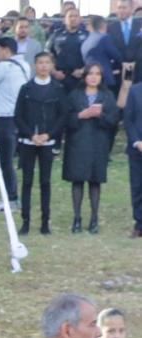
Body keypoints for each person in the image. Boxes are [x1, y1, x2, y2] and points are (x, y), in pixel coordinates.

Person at [16, 52, 69, 234]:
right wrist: (31, 135)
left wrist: (48, 135)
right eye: (40, 62)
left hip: (48, 141)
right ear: (35, 65)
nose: (44, 66)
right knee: (27, 181)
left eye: (47, 63)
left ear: (52, 65)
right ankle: (25, 221)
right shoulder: (26, 89)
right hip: (28, 141)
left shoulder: (58, 89)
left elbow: (63, 116)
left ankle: (45, 222)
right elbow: (18, 116)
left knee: (45, 182)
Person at [63, 63, 119, 234]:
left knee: (95, 181)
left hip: (98, 143)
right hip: (78, 142)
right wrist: (81, 115)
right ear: (85, 76)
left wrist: (100, 115)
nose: (94, 77)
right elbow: (65, 119)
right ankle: (77, 218)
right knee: (77, 180)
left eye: (97, 74)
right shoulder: (74, 95)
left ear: (101, 77)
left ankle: (94, 218)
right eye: (90, 74)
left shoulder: (107, 96)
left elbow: (113, 121)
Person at [0, 38, 30, 213]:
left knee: (4, 161)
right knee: (7, 160)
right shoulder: (24, 66)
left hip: (3, 117)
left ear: (5, 50)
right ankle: (10, 196)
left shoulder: (3, 67)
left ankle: (10, 198)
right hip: (17, 117)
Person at [128, 67, 142, 238]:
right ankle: (139, 223)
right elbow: (128, 119)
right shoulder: (135, 91)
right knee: (137, 187)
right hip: (137, 149)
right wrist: (137, 142)